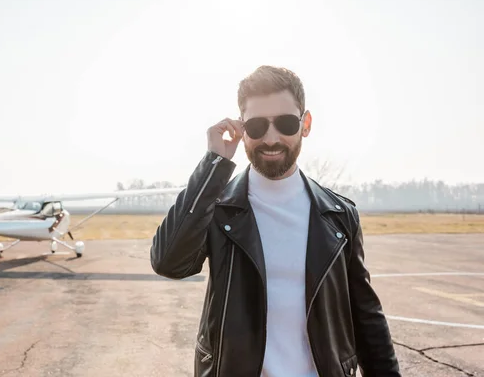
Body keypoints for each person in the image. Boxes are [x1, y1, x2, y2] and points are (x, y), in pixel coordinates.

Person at [150, 65, 401, 377]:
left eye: (285, 123)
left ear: (305, 124)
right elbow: (168, 263)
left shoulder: (339, 215)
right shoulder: (219, 208)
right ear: (241, 129)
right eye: (256, 126)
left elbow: (366, 316)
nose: (270, 139)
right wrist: (214, 164)